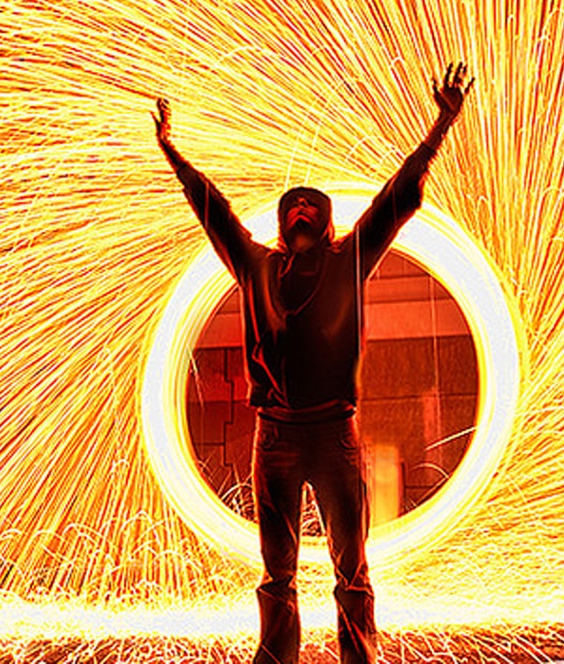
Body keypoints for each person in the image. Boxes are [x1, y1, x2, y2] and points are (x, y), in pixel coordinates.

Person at [154, 62, 474, 664]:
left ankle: (360, 658)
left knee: (351, 567)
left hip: (334, 434)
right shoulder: (256, 267)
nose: (300, 209)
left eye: (311, 205)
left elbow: (394, 201)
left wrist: (439, 127)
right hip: (273, 436)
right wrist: (171, 151)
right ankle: (278, 660)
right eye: (291, 205)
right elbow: (213, 210)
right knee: (277, 573)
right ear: (280, 222)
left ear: (326, 222)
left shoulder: (349, 259)